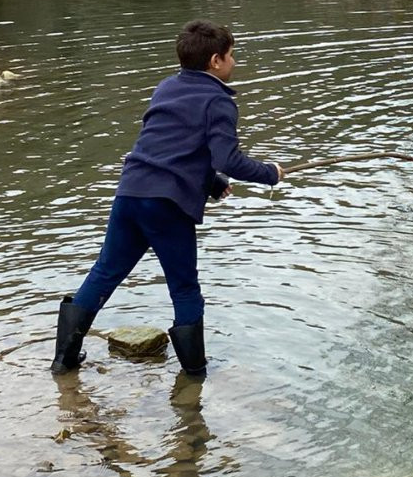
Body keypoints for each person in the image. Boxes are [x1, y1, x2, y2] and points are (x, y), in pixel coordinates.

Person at [50, 19, 284, 378]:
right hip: (167, 206)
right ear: (216, 61)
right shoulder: (219, 101)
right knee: (185, 288)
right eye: (232, 56)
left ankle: (64, 362)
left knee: (104, 273)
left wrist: (210, 182)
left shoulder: (166, 88)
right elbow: (228, 159)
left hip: (131, 192)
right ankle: (195, 378)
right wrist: (270, 173)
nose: (235, 63)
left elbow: (169, 146)